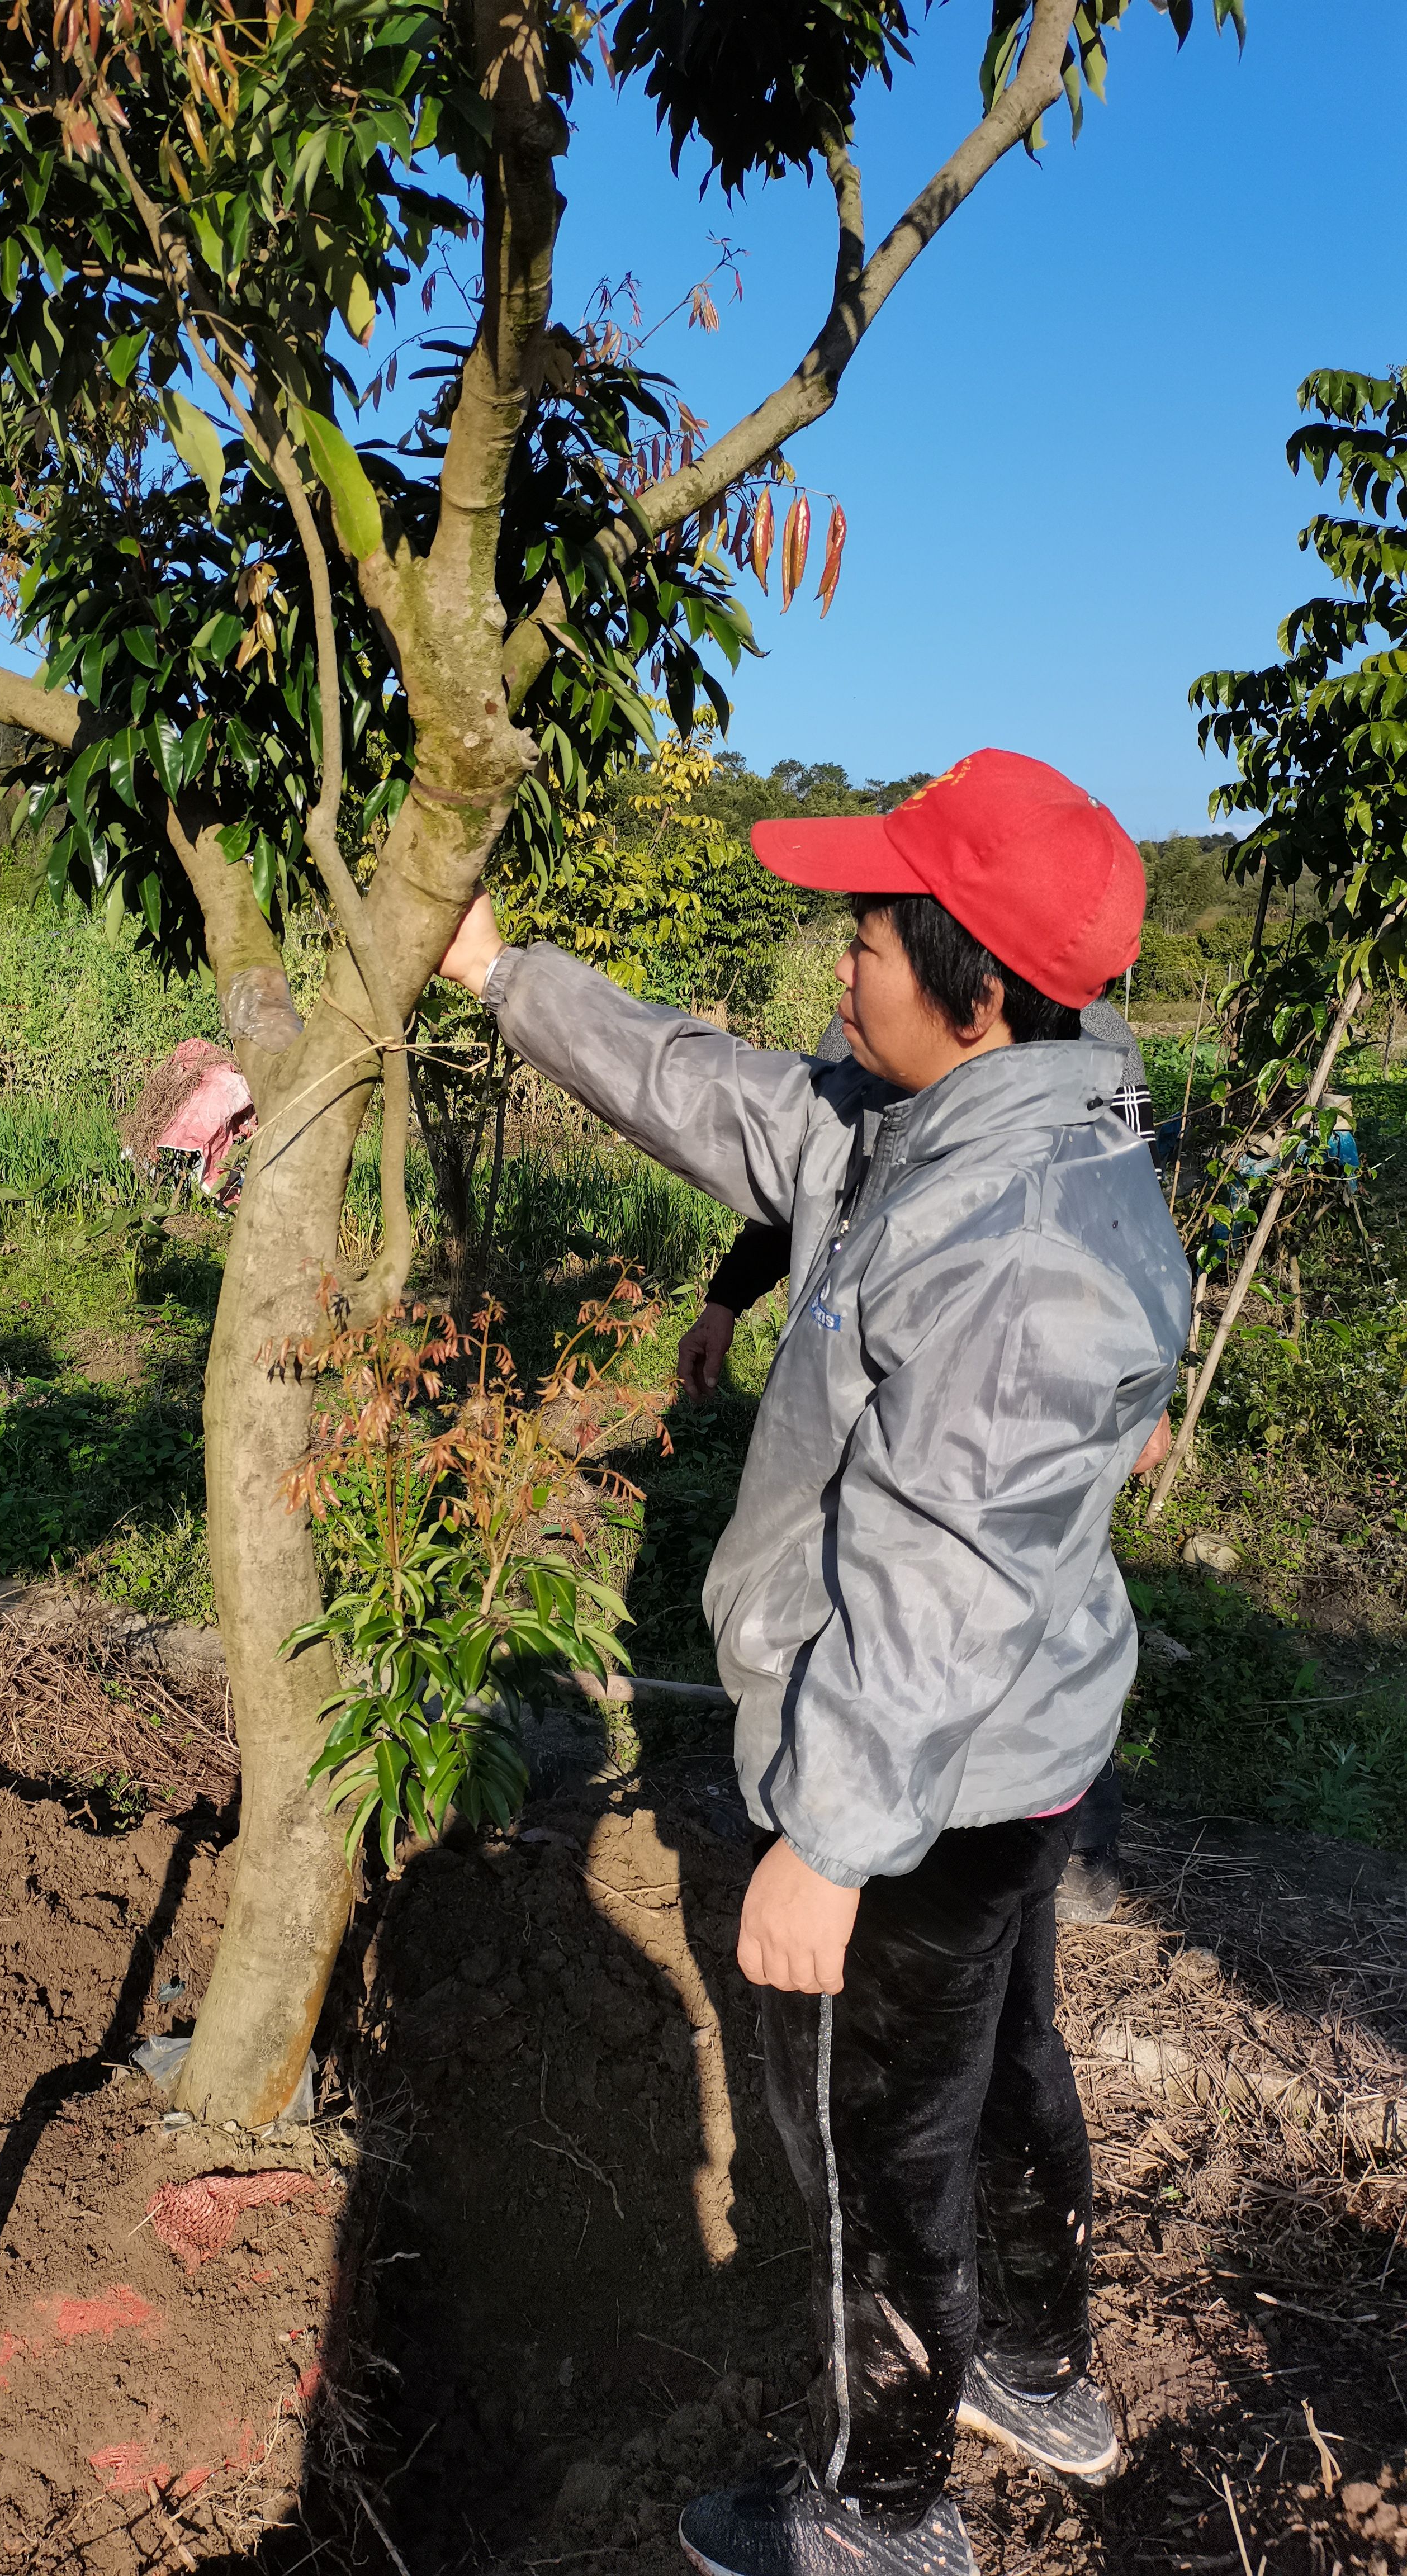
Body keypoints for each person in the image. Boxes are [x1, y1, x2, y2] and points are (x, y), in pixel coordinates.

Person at [437, 750, 1190, 2576]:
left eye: (868, 934)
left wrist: (832, 1843)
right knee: (990, 2061)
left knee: (869, 2136)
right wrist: (500, 975)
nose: (837, 961)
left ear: (979, 989)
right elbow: (717, 1090)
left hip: (927, 1776)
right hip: (1008, 1747)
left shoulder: (1014, 1246)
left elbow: (943, 1577)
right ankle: (1036, 2368)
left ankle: (880, 2508)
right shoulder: (941, 1127)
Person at [676, 998, 1159, 1933]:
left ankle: (1068, 1835)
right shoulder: (871, 1023)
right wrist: (726, 1299)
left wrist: (1142, 1390)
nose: (851, 971)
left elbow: (1123, 1213)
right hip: (873, 1385)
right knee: (875, 1586)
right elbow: (819, 1184)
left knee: (1030, 1594)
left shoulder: (1097, 1048)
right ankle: (867, 1812)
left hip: (1030, 1384)